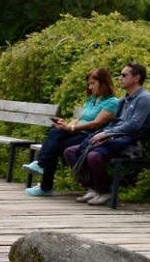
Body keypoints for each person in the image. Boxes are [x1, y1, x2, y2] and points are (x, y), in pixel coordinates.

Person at [63, 62, 150, 205]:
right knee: (70, 152)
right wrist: (104, 132)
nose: (119, 78)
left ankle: (104, 191)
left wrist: (107, 134)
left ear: (136, 78)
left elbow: (134, 125)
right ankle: (92, 188)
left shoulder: (145, 98)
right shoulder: (123, 100)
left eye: (124, 75)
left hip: (131, 144)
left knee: (94, 155)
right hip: (116, 138)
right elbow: (115, 122)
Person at [23, 67, 119, 196]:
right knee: (55, 131)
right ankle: (41, 167)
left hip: (90, 136)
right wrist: (66, 125)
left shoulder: (112, 102)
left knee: (56, 147)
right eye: (89, 84)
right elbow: (79, 118)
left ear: (103, 82)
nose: (90, 87)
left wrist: (71, 128)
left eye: (92, 83)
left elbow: (96, 123)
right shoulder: (91, 100)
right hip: (76, 132)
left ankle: (45, 182)